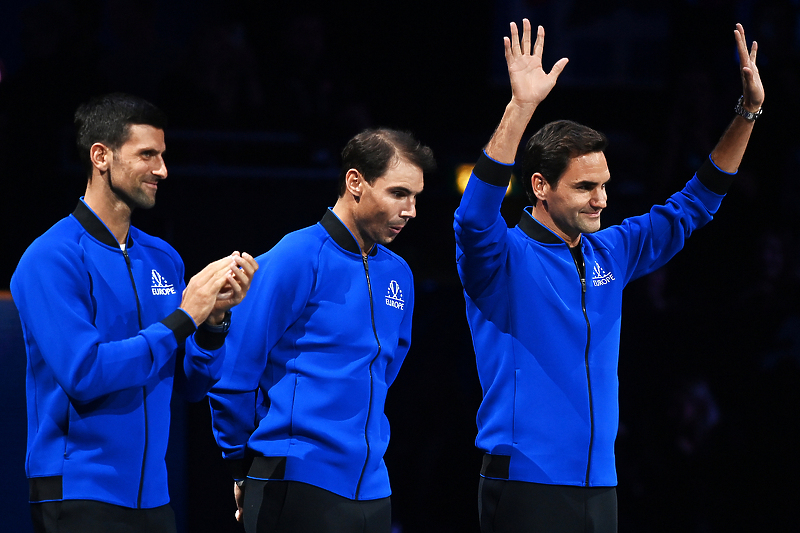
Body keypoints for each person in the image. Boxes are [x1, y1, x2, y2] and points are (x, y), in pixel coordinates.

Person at [454, 20, 763, 532]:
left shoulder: (610, 252)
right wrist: (521, 107)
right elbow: (472, 216)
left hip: (600, 487)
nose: (601, 199)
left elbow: (695, 205)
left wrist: (748, 112)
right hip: (527, 484)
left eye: (604, 185)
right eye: (585, 187)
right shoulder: (500, 257)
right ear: (541, 186)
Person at [10, 93, 259, 533]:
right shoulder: (50, 258)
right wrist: (184, 318)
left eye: (163, 156)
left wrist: (213, 325)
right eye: (147, 155)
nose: (162, 170)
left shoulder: (163, 258)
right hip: (78, 494)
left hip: (155, 499)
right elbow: (85, 374)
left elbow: (191, 383)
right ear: (101, 156)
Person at [207, 128, 435, 533]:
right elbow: (234, 371)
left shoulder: (398, 273)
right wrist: (242, 464)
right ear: (355, 183)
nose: (411, 210)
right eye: (399, 193)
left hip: (372, 490)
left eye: (415, 197)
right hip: (295, 479)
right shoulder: (296, 256)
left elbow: (385, 372)